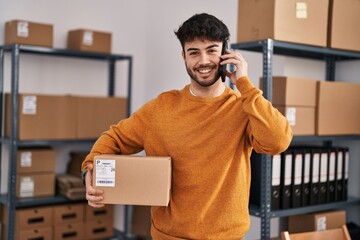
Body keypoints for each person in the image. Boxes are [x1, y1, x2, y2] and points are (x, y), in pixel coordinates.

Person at [81, 13, 292, 240]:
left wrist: (244, 84)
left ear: (225, 53)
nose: (203, 61)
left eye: (212, 50)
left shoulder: (243, 107)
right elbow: (114, 138)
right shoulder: (160, 108)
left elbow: (278, 141)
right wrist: (89, 171)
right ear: (183, 56)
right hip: (168, 236)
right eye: (194, 52)